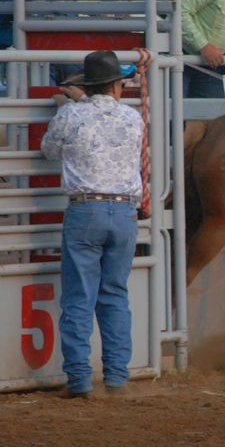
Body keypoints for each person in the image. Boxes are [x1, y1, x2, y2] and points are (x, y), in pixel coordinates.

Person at [41, 51, 143, 399]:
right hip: (125, 211)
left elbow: (50, 150)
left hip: (85, 212)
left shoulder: (70, 115)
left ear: (86, 85)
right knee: (114, 294)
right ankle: (116, 378)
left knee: (79, 298)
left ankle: (80, 381)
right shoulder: (133, 119)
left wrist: (76, 103)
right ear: (117, 86)